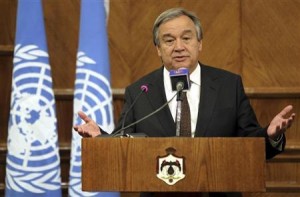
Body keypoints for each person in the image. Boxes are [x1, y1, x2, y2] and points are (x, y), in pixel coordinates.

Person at [74, 8, 295, 197]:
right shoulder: (140, 91)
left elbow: (251, 145)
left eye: (186, 38)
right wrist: (101, 137)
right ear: (158, 50)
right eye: (169, 40)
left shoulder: (228, 86)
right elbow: (123, 145)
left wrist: (270, 135)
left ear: (200, 43)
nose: (178, 46)